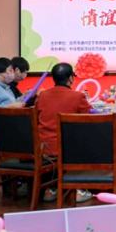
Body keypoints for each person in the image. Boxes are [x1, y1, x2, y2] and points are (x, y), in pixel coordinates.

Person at [34, 63, 93, 202]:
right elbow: (90, 119)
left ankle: (50, 189)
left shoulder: (42, 96)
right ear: (71, 78)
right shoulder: (77, 96)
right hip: (68, 148)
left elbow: (35, 119)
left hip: (43, 148)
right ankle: (79, 189)